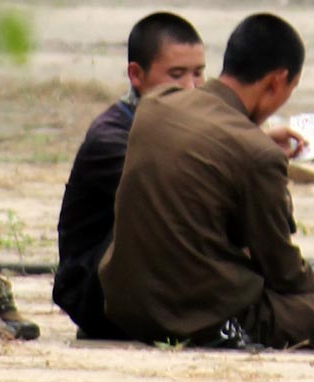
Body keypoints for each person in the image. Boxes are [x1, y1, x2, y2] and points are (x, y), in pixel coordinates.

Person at [99, 13, 314, 350]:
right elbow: (284, 273)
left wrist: (257, 138)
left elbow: (213, 141)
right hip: (207, 318)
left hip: (126, 310)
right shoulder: (257, 154)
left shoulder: (155, 107)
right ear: (277, 82)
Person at [53, 12, 206, 340]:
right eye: (176, 75)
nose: (191, 88)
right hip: (95, 291)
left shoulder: (180, 126)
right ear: (136, 75)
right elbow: (185, 198)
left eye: (198, 74)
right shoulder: (112, 138)